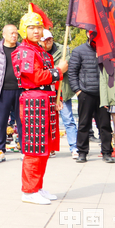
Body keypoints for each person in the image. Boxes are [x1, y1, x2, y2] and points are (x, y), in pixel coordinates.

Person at [13, 5, 67, 205]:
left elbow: (48, 80)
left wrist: (56, 98)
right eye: (31, 27)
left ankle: (37, 186)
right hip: (34, 100)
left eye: (39, 26)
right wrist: (58, 71)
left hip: (45, 99)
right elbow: (35, 77)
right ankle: (29, 190)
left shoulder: (40, 50)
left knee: (44, 146)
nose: (36, 30)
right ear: (23, 29)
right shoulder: (24, 51)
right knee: (34, 147)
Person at [68, 31, 115, 163]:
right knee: (84, 124)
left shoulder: (107, 51)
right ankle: (82, 152)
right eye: (92, 33)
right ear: (88, 34)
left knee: (105, 125)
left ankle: (107, 152)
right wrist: (78, 91)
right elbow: (72, 72)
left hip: (103, 94)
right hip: (86, 93)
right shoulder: (79, 51)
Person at [0, 24, 23, 163]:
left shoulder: (21, 49)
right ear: (4, 34)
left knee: (21, 122)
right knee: (0, 122)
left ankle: (24, 150)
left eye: (16, 33)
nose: (14, 35)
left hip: (20, 89)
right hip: (2, 91)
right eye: (11, 33)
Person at [40, 30, 78, 159]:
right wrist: (57, 69)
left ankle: (74, 147)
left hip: (61, 91)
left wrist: (55, 70)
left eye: (50, 38)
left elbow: (65, 66)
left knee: (68, 119)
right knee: (46, 121)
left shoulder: (63, 50)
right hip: (45, 91)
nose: (48, 41)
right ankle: (49, 148)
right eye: (45, 39)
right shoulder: (37, 52)